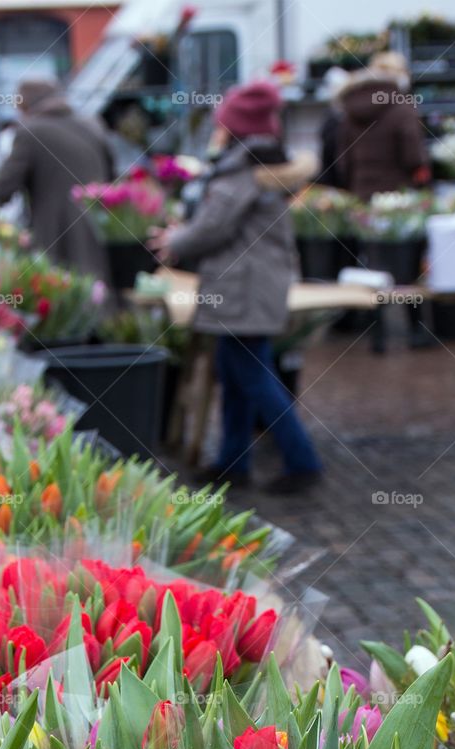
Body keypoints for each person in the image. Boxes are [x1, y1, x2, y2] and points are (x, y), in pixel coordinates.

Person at [150, 81, 322, 494]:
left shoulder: (240, 172)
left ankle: (302, 461)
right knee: (236, 372)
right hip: (250, 288)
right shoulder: (261, 167)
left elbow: (211, 229)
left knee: (252, 375)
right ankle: (234, 463)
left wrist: (173, 241)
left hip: (242, 291)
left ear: (234, 128)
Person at [0, 78, 113, 277]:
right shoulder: (93, 127)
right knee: (94, 293)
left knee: (61, 297)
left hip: (55, 239)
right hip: (99, 236)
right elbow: (112, 177)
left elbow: (1, 190)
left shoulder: (30, 132)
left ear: (25, 105)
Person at [337, 52, 429, 200]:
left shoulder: (350, 108)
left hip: (359, 193)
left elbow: (343, 161)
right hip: (397, 197)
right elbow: (414, 158)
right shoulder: (403, 109)